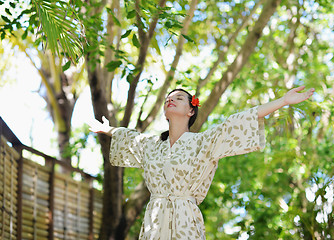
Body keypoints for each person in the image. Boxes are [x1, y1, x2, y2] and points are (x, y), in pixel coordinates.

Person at [89, 86, 315, 239]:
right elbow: (128, 136)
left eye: (179, 98)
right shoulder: (151, 144)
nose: (171, 99)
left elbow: (236, 122)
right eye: (169, 98)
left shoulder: (204, 142)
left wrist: (283, 100)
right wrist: (105, 128)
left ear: (191, 110)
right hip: (154, 220)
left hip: (185, 218)